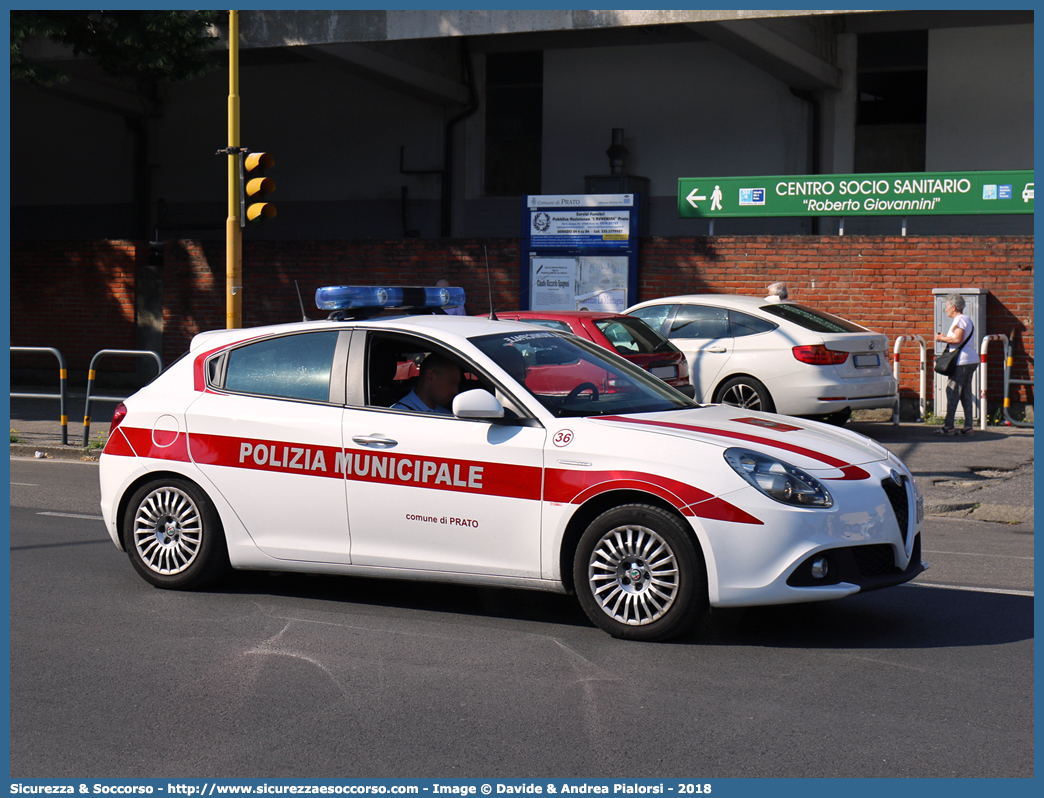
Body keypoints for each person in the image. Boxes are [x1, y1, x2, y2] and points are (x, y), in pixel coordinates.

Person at [933, 293, 977, 435]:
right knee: (965, 392)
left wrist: (942, 338)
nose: (946, 310)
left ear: (954, 307)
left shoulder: (960, 319)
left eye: (947, 307)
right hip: (970, 360)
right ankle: (968, 426)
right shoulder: (966, 319)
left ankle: (949, 425)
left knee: (952, 391)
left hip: (962, 362)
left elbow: (957, 339)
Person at [392, 353, 461, 414]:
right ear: (430, 377)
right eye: (451, 383)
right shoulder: (400, 415)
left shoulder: (446, 414)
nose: (456, 391)